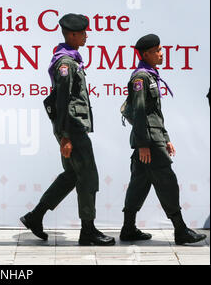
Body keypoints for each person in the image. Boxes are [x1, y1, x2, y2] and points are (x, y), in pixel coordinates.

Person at [20, 14, 115, 246]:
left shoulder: (70, 59)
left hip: (70, 127)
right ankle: (88, 231)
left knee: (73, 175)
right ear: (72, 34)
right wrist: (65, 137)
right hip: (72, 128)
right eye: (83, 33)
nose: (86, 36)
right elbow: (62, 102)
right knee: (88, 177)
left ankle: (35, 216)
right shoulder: (66, 64)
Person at [120, 34, 207, 245]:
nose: (161, 53)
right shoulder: (141, 78)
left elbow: (154, 114)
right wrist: (143, 144)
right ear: (146, 54)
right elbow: (140, 112)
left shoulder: (150, 76)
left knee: (139, 182)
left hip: (153, 137)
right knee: (167, 181)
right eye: (158, 50)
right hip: (149, 141)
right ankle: (180, 230)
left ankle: (128, 228)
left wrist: (166, 137)